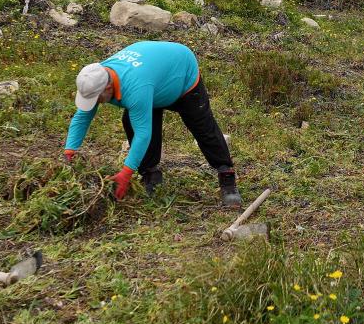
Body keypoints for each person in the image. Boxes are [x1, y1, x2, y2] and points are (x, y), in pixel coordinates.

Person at [62, 40, 241, 208]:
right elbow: (82, 117)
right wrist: (70, 152)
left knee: (202, 127)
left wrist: (126, 173)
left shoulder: (135, 88)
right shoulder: (97, 77)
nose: (96, 102)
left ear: (107, 87)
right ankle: (151, 174)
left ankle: (227, 177)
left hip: (181, 71)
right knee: (131, 121)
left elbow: (143, 134)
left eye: (97, 98)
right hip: (153, 77)